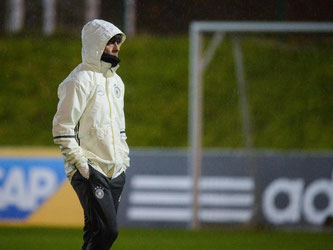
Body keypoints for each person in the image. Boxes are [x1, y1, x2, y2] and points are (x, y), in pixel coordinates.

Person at [52, 19, 130, 250]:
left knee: (97, 235)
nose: (116, 47)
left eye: (118, 42)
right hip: (90, 169)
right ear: (96, 44)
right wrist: (84, 166)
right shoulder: (78, 80)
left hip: (115, 169)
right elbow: (62, 129)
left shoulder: (117, 82)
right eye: (110, 42)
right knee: (108, 231)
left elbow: (120, 128)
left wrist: (123, 160)